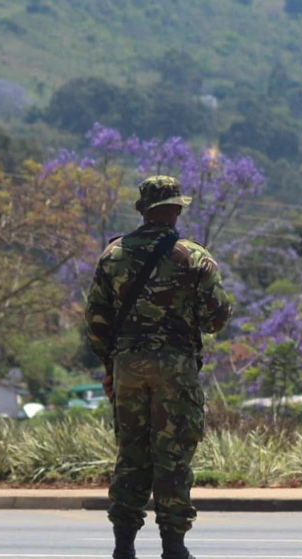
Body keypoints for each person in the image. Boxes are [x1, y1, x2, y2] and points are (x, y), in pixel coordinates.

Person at [85, 176, 233, 559]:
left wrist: (110, 368)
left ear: (144, 210)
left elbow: (96, 321)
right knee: (172, 455)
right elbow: (216, 318)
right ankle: (173, 545)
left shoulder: (113, 254)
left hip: (128, 367)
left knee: (131, 452)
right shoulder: (194, 257)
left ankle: (124, 546)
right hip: (175, 367)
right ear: (176, 209)